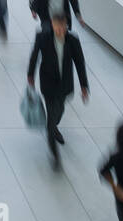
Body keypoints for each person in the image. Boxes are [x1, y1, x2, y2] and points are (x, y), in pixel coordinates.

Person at [27, 15, 89, 168]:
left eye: (62, 28)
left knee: (59, 111)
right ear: (53, 26)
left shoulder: (73, 41)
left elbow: (80, 63)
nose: (60, 31)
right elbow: (34, 56)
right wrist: (30, 75)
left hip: (65, 84)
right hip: (48, 83)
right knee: (51, 118)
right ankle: (55, 154)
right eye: (57, 28)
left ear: (66, 27)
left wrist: (84, 86)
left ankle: (54, 127)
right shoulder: (43, 37)